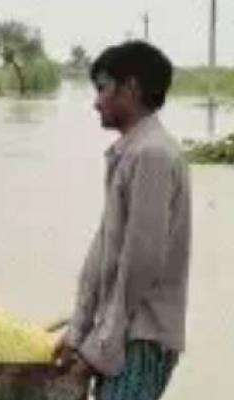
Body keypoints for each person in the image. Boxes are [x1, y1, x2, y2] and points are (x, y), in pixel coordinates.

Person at [54, 41, 191, 400]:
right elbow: (106, 252)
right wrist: (79, 331)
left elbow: (139, 266)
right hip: (120, 336)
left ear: (130, 88)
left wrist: (100, 347)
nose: (96, 102)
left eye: (102, 88)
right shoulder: (131, 153)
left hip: (139, 339)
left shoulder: (153, 156)